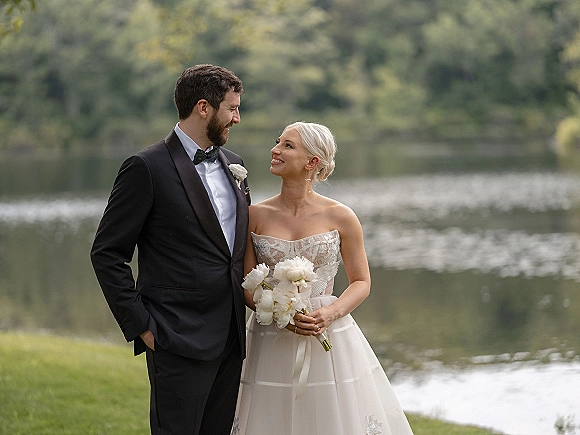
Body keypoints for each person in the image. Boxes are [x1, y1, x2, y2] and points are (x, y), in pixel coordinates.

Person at [90, 64, 250, 435]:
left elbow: (232, 252)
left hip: (231, 336)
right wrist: (142, 325)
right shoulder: (146, 167)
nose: (238, 118)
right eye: (232, 108)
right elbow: (107, 254)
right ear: (203, 108)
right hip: (176, 337)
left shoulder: (236, 166)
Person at [231, 122, 414, 435]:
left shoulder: (341, 216)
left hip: (329, 333)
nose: (275, 150)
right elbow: (248, 283)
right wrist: (277, 314)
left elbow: (361, 281)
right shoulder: (254, 215)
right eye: (278, 142)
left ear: (312, 162)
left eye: (287, 146)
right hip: (270, 337)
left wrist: (330, 313)